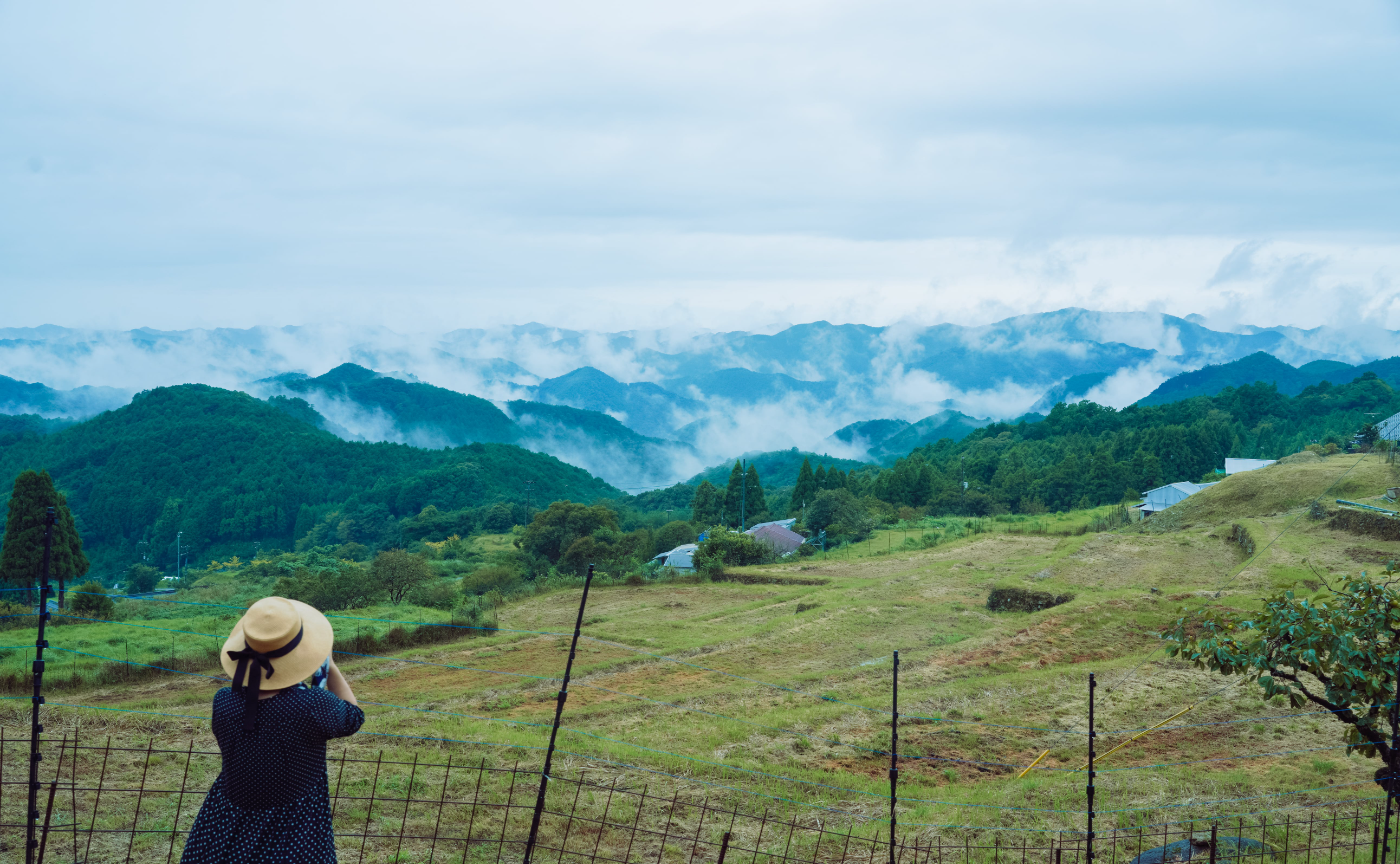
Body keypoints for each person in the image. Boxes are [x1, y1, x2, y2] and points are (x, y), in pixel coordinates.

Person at [181, 596, 363, 864]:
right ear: (301, 653)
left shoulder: (224, 701)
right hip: (294, 830)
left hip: (224, 825)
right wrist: (331, 666)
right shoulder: (312, 705)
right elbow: (353, 717)